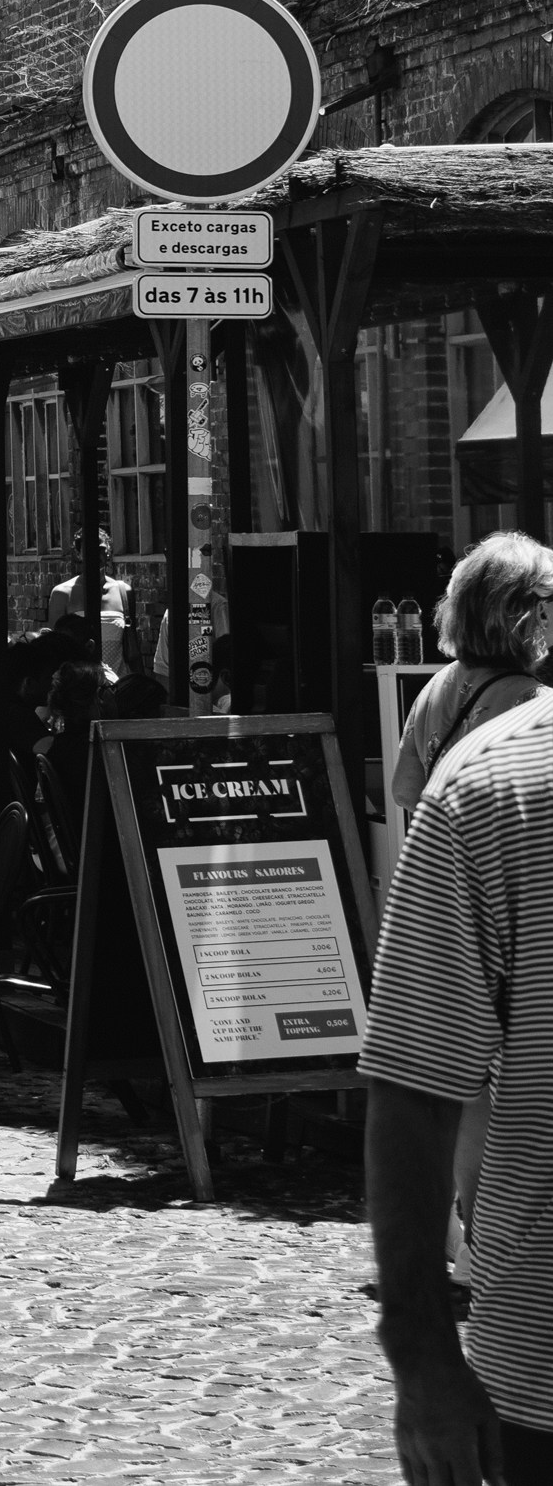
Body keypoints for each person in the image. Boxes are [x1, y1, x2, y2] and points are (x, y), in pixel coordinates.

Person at [364, 547, 553, 1482]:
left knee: (481, 1108)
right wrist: (420, 1347)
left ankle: (475, 1239)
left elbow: (401, 789)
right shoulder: (503, 778)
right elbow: (406, 1091)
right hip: (540, 1368)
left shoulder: (443, 701)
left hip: (457, 951)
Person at [393, 535, 553, 826]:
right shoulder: (537, 702)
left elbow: (404, 791)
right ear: (537, 612)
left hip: (444, 864)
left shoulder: (436, 684)